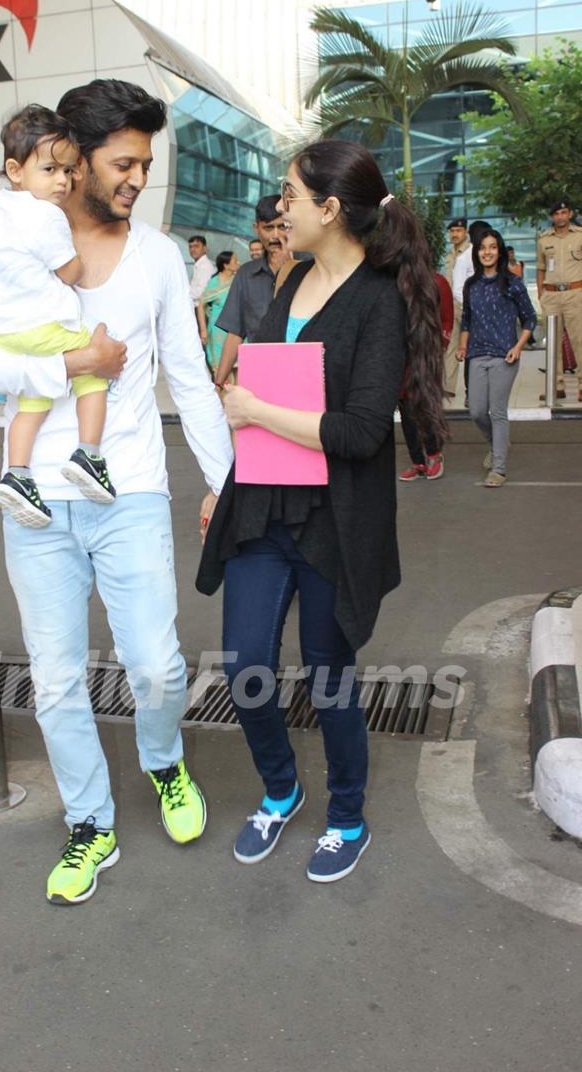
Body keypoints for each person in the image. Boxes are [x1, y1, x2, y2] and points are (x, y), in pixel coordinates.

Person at [0, 78, 233, 906]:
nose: (139, 178)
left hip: (130, 487)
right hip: (33, 496)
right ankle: (90, 825)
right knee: (58, 679)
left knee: (156, 667)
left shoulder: (156, 256)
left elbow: (187, 373)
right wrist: (71, 365)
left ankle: (163, 761)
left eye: (146, 163)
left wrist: (227, 482)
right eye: (125, 162)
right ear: (72, 161)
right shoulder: (6, 244)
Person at [196, 139, 445, 883]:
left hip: (336, 522)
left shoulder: (378, 298)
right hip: (263, 510)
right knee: (245, 666)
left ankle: (346, 815)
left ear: (331, 209)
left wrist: (255, 410)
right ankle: (280, 790)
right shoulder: (292, 277)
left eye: (292, 197)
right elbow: (265, 385)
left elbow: (362, 431)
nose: (280, 209)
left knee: (328, 674)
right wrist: (227, 474)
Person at [0, 104, 116, 527]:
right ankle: (89, 454)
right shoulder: (48, 216)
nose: (62, 181)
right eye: (50, 169)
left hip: (7, 334)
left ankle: (18, 474)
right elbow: (69, 272)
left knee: (33, 403)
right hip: (47, 327)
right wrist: (73, 263)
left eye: (67, 171)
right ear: (16, 170)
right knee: (93, 375)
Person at [457, 228, 536, 487]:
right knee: (477, 411)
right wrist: (462, 346)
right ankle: (497, 443)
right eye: (482, 248)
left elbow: (530, 318)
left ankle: (499, 469)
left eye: (492, 247)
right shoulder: (471, 285)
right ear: (477, 253)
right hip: (477, 355)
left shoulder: (512, 283)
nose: (487, 252)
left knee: (497, 411)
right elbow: (466, 320)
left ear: (499, 251)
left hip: (505, 356)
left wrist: (518, 347)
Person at [214, 195, 291, 387]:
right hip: (260, 371)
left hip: (300, 369)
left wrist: (289, 266)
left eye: (281, 226)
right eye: (268, 228)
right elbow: (235, 333)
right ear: (256, 228)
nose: (275, 235)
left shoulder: (309, 266)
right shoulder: (246, 274)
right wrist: (218, 383)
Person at [398, 270, 453, 482]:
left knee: (426, 403)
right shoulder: (397, 283)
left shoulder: (437, 282)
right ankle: (417, 462)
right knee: (405, 405)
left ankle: (434, 454)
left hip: (427, 354)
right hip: (402, 354)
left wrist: (440, 346)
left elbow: (447, 319)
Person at [537, 198, 582, 400]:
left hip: (575, 293)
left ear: (570, 214)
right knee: (553, 343)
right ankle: (556, 386)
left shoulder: (580, 236)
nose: (560, 217)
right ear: (552, 216)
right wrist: (541, 294)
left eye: (564, 213)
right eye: (556, 214)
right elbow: (540, 269)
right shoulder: (544, 240)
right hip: (551, 295)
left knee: (579, 340)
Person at [453, 220, 492, 406]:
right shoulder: (464, 259)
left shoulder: (493, 256)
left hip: (493, 314)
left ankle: (489, 390)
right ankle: (471, 393)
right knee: (471, 352)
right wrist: (473, 306)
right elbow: (458, 288)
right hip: (472, 313)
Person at [196, 251, 239, 374]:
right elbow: (201, 304)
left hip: (236, 329)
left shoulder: (237, 280)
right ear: (226, 265)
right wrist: (203, 331)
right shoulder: (215, 282)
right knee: (220, 367)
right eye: (235, 261)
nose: (238, 263)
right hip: (218, 330)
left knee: (238, 367)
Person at [442, 217, 469, 398]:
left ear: (465, 231)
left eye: (458, 231)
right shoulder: (450, 254)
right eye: (452, 231)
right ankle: (448, 387)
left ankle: (472, 386)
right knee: (450, 345)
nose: (454, 234)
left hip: (469, 304)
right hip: (452, 305)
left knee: (471, 345)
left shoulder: (471, 252)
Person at [188, 234, 216, 306]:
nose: (192, 249)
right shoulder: (199, 265)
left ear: (205, 249)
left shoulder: (205, 266)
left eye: (196, 246)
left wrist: (181, 294)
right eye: (190, 247)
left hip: (198, 309)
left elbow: (200, 292)